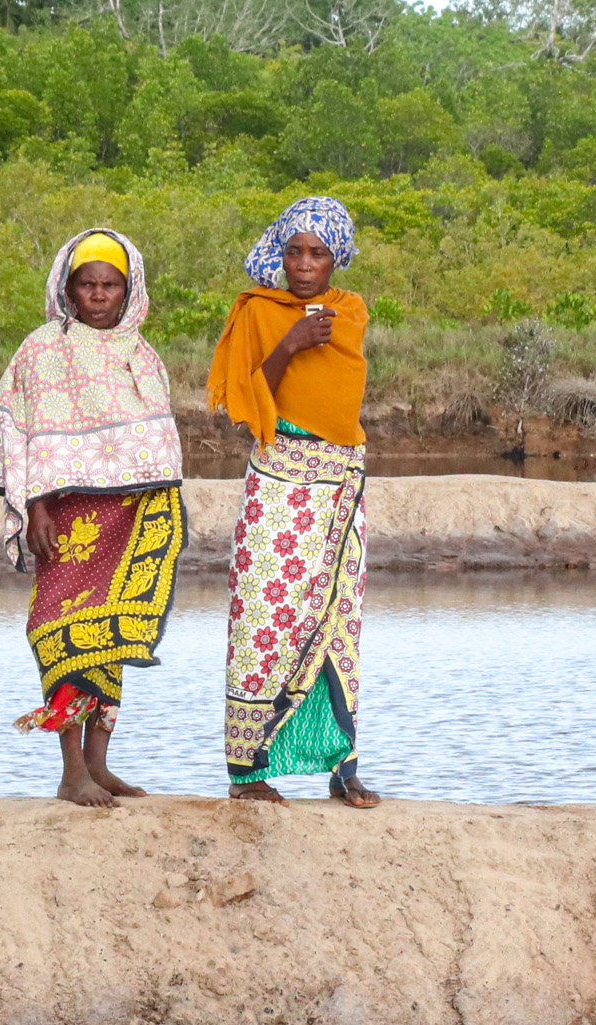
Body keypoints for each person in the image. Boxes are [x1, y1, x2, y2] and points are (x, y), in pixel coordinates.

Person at [0, 228, 185, 809]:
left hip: (134, 512)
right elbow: (25, 431)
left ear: (128, 290)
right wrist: (36, 506)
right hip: (69, 515)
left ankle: (100, 763)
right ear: (67, 288)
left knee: (110, 637)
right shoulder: (44, 347)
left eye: (109, 285)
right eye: (87, 284)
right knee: (62, 631)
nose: (98, 295)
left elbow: (157, 440)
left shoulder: (139, 352)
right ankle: (71, 771)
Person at [207, 197, 379, 808]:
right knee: (263, 619)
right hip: (277, 478)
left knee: (339, 624)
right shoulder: (258, 311)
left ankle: (343, 764)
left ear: (338, 259)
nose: (304, 265)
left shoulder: (349, 312)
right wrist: (291, 342)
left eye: (318, 253)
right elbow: (246, 399)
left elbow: (340, 399)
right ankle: (247, 771)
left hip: (339, 484)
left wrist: (315, 333)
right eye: (294, 252)